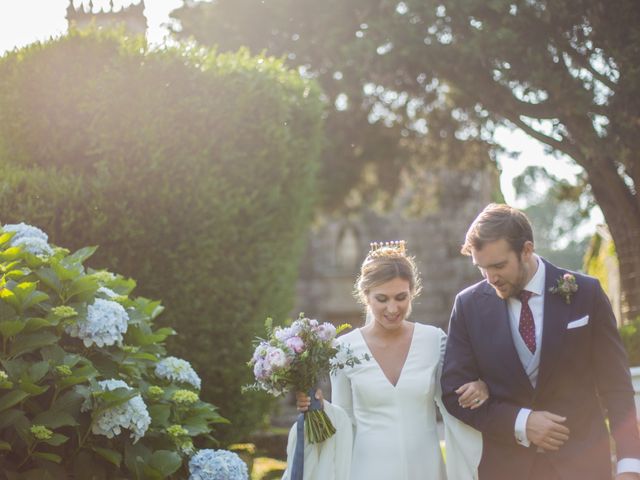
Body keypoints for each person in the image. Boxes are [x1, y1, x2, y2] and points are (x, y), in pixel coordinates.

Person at [440, 203, 640, 480]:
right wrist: (521, 422)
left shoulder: (586, 294)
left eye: (498, 265)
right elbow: (453, 393)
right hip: (508, 469)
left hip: (584, 466)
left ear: (526, 250)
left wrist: (630, 464)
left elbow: (616, 387)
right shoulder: (468, 305)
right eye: (481, 268)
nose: (490, 278)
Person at [284, 241, 483, 480]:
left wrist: (481, 385)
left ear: (412, 293)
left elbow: (453, 403)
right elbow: (345, 420)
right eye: (382, 299)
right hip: (367, 469)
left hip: (425, 467)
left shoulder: (434, 340)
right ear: (366, 296)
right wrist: (318, 407)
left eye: (401, 297)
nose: (392, 308)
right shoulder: (344, 348)